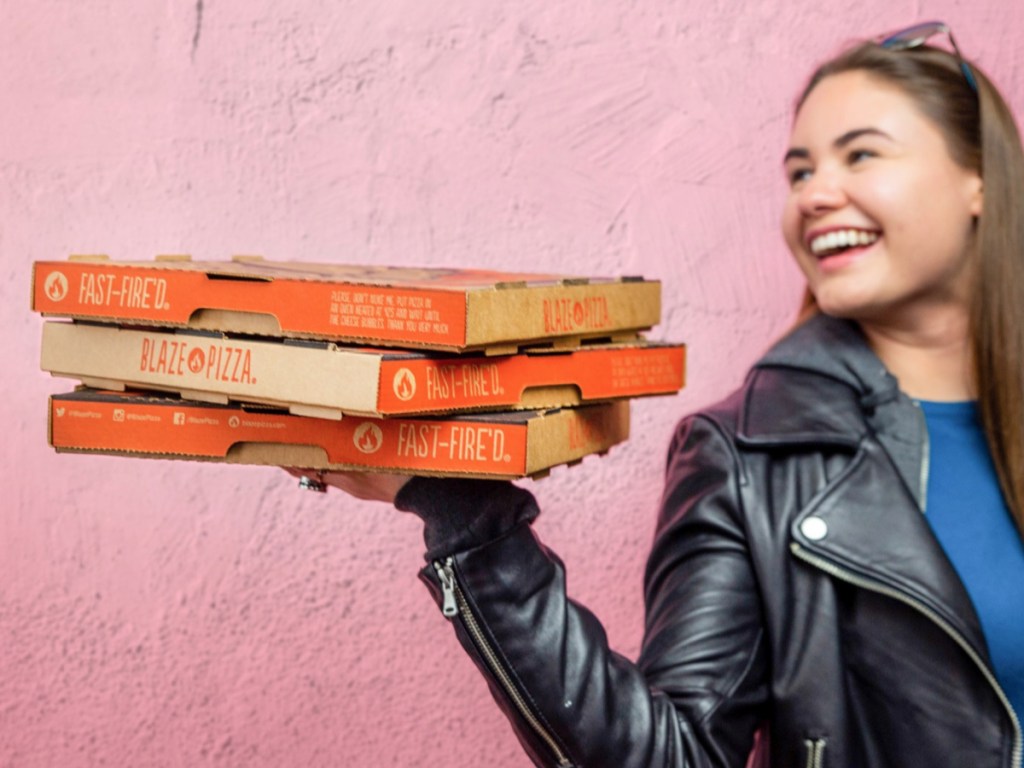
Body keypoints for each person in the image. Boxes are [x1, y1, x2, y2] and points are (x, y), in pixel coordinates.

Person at [290, 22, 1024, 767]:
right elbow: (673, 756)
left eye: (861, 154)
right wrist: (463, 513)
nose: (815, 195)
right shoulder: (749, 455)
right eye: (799, 172)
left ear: (981, 181)